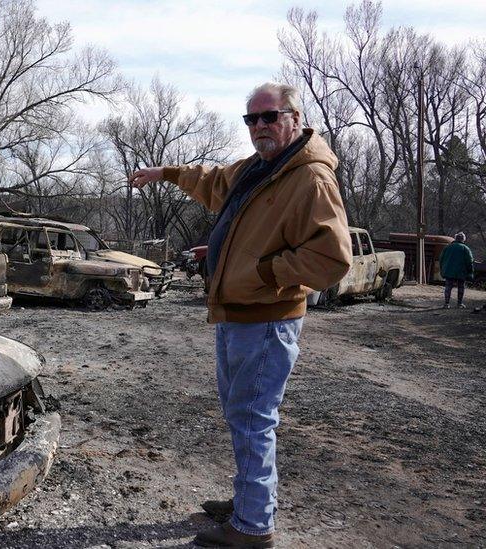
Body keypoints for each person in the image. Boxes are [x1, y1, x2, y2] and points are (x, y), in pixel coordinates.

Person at [130, 82, 352, 548]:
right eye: (251, 120)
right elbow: (213, 182)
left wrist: (264, 271)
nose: (259, 128)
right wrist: (167, 173)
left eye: (269, 117)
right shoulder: (260, 168)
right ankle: (251, 504)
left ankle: (253, 529)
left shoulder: (310, 177)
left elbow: (332, 258)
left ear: (294, 117)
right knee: (242, 415)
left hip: (267, 319)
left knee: (253, 417)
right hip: (238, 313)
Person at [439, 232, 474, 309]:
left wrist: (442, 269)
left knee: (448, 287)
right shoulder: (465, 248)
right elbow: (470, 261)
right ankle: (459, 303)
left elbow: (441, 259)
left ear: (455, 238)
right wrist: (470, 272)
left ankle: (446, 304)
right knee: (461, 287)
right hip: (461, 272)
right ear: (463, 239)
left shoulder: (447, 247)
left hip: (449, 271)